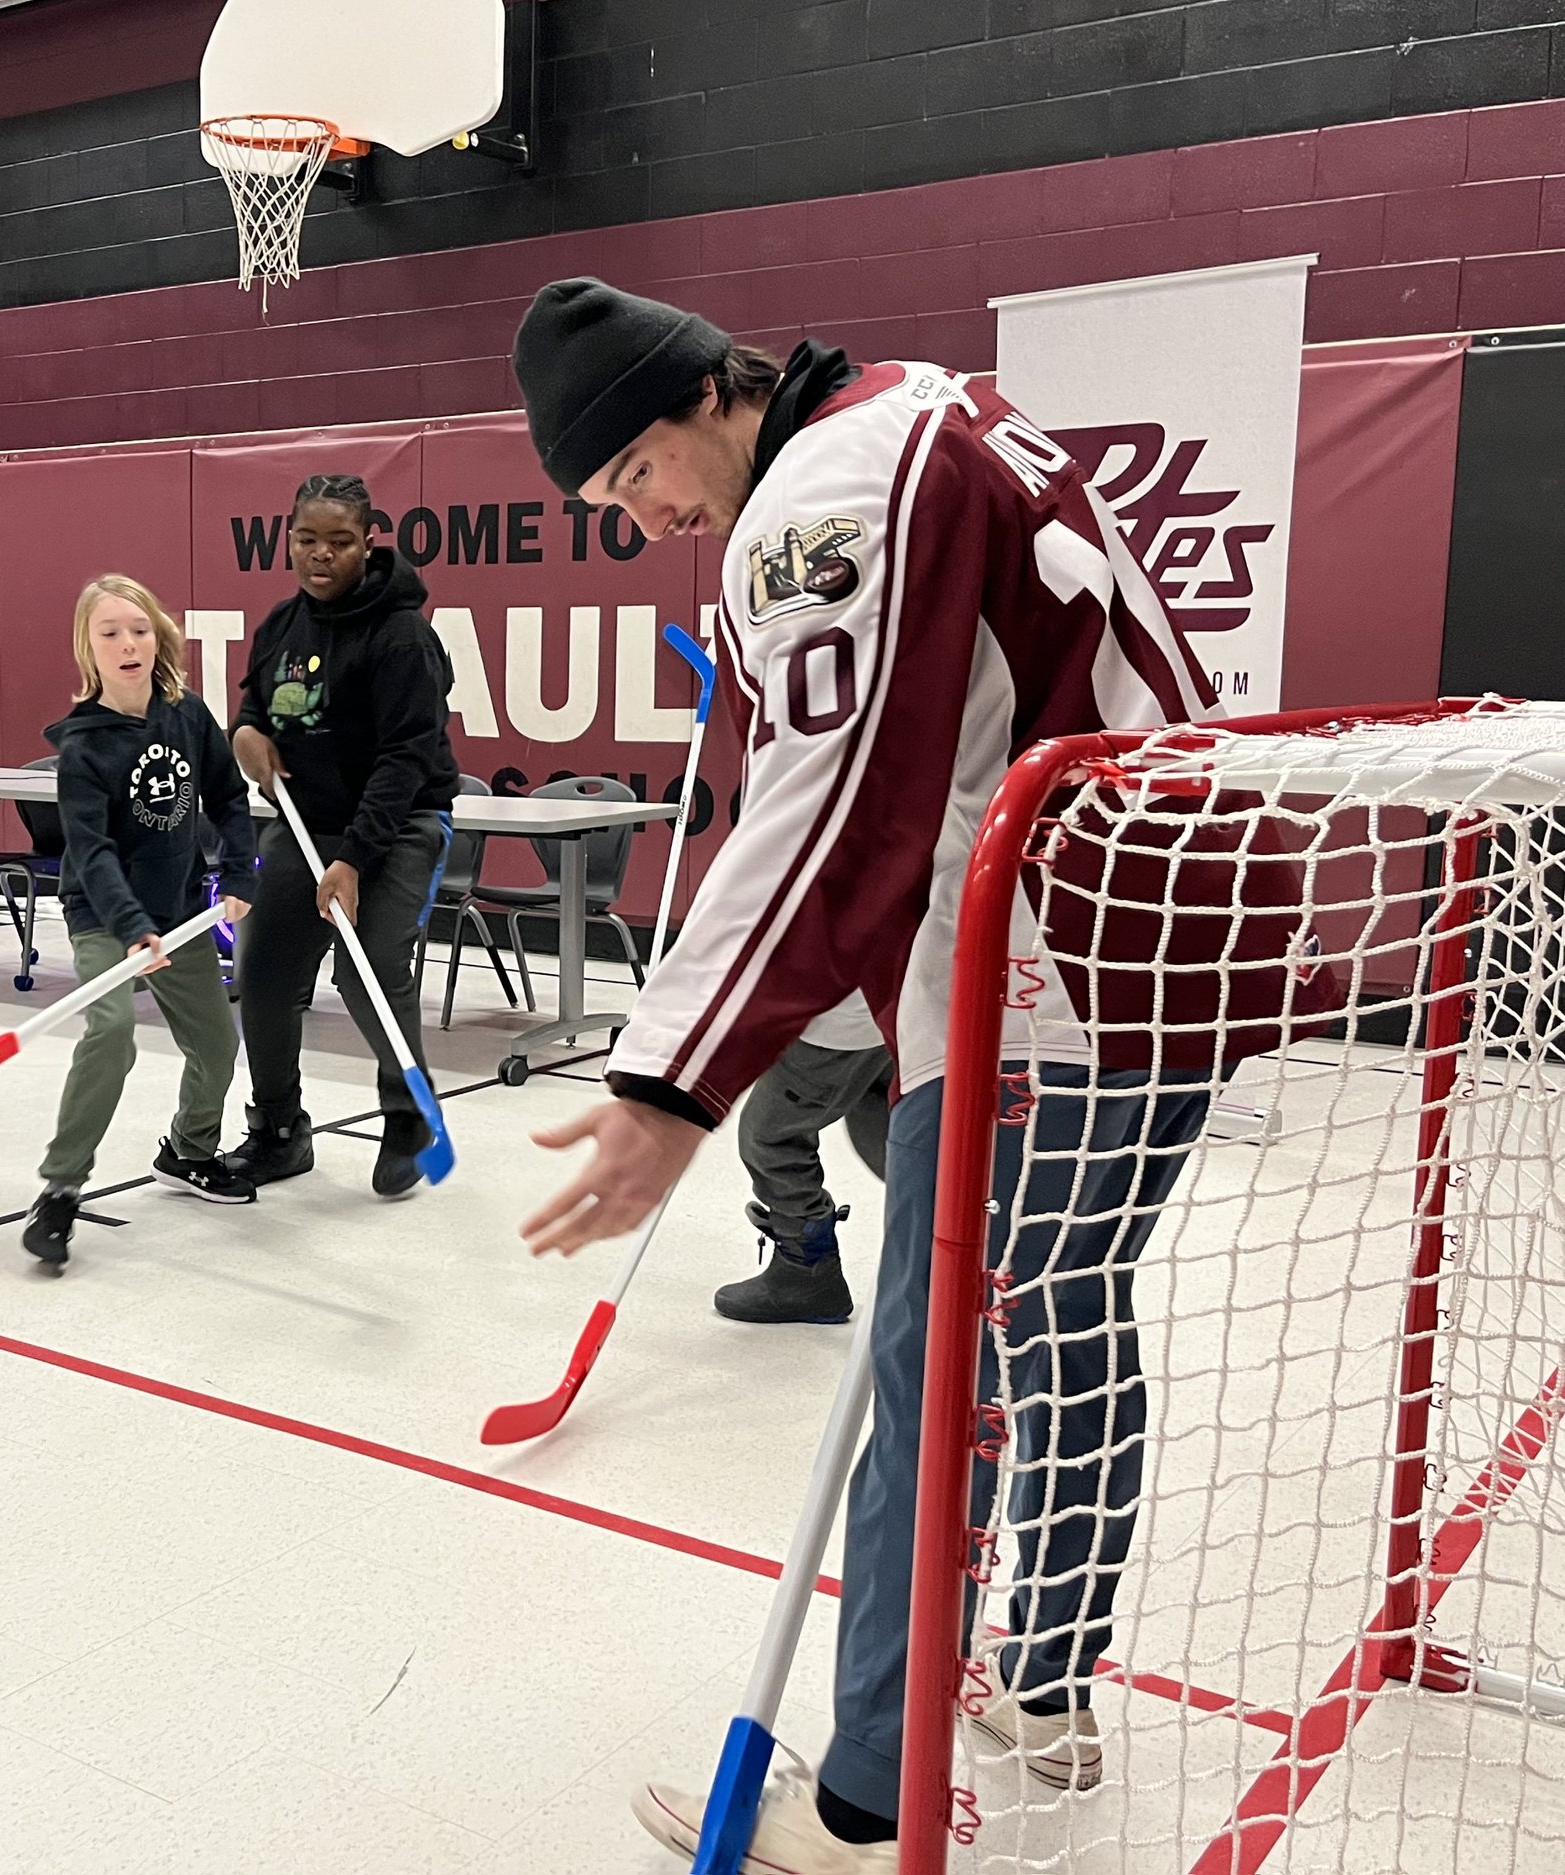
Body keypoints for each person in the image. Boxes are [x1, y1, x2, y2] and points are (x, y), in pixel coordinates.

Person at [506, 280, 1243, 1869]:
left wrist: (669, 1086)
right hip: (1169, 948)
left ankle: (863, 1808)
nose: (647, 519)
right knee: (1064, 1310)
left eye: (636, 478)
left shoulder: (825, 489)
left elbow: (838, 802)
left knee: (932, 1374)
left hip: (1051, 970)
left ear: (710, 392)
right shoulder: (920, 400)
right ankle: (1043, 1681)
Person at [225, 473, 459, 1201]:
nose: (320, 555)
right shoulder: (279, 626)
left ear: (367, 542)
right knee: (261, 971)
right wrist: (245, 736)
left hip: (398, 822)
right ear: (288, 537)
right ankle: (280, 1130)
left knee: (368, 968)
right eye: (307, 539)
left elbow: (405, 758)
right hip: (307, 820)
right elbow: (253, 708)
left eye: (340, 541)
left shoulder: (402, 635)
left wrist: (353, 859)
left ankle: (407, 1117)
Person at [21, 575, 257, 1268]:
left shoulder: (187, 714)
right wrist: (128, 926)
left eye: (140, 629)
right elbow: (90, 853)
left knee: (216, 1047)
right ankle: (61, 1189)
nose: (128, 644)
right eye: (110, 633)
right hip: (104, 918)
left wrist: (239, 870)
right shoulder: (84, 748)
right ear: (87, 650)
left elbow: (228, 793)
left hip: (178, 914)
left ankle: (189, 1149)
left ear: (160, 637)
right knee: (114, 1030)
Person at [718, 1000, 892, 1326]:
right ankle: (958, 1242)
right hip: (891, 1001)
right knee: (881, 1114)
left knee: (769, 1136)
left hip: (839, 1016)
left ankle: (805, 1270)